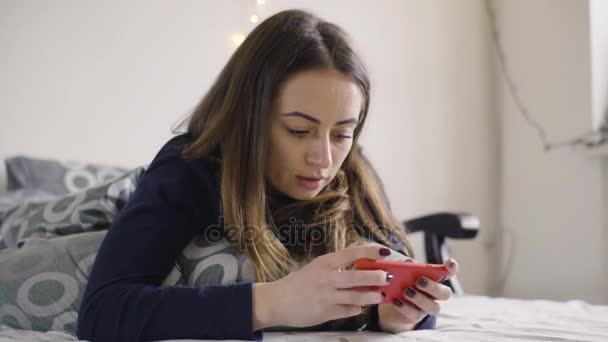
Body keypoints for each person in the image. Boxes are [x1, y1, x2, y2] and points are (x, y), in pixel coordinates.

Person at [77, 9, 459, 342]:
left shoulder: (352, 168)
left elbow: (400, 280)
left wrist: (400, 315)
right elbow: (103, 312)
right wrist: (274, 302)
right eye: (298, 130)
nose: (325, 158)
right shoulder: (190, 167)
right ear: (248, 119)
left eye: (343, 133)